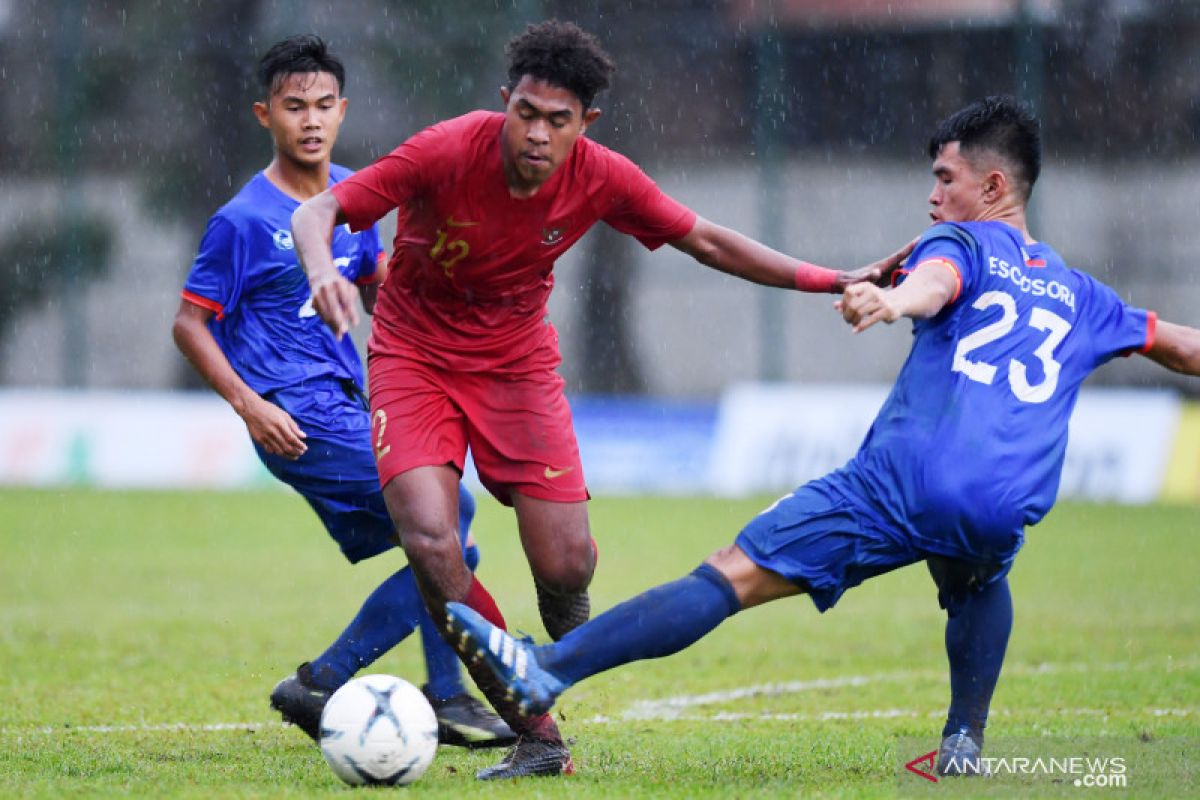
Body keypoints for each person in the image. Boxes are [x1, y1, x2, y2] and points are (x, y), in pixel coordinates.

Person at [443, 95, 1200, 777]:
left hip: (904, 481)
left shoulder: (961, 245)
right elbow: (1179, 346)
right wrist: (905, 299)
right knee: (980, 577)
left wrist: (895, 301)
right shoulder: (1082, 293)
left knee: (727, 576)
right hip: (1006, 498)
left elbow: (936, 283)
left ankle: (545, 668)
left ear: (993, 189)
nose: (933, 197)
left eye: (945, 179)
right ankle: (965, 743)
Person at [291, 20, 909, 779]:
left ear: (586, 124)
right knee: (429, 536)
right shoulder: (445, 148)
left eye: (558, 120)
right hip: (413, 358)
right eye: (526, 112)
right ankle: (537, 730)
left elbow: (707, 240)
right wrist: (322, 267)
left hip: (518, 366)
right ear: (504, 103)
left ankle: (561, 651)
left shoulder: (605, 176)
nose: (538, 134)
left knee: (567, 562)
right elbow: (315, 211)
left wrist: (833, 278)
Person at [171, 34, 513, 750]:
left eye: (324, 105)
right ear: (264, 115)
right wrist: (250, 405)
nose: (312, 120)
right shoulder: (242, 220)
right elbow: (190, 325)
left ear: (344, 110)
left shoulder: (356, 200)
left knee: (445, 540)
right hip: (295, 418)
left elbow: (385, 291)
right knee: (450, 514)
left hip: (349, 405)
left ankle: (389, 689)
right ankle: (361, 684)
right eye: (295, 107)